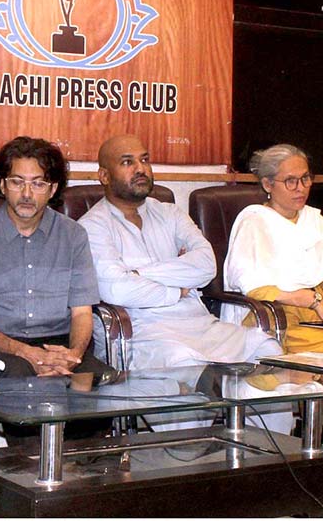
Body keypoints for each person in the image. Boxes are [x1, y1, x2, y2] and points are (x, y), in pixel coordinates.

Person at [78, 134, 282, 371]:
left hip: (200, 324)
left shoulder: (171, 213)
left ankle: (244, 408)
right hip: (143, 333)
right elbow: (116, 288)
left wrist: (137, 273)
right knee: (183, 361)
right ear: (104, 175)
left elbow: (206, 266)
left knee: (266, 347)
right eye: (127, 162)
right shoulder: (92, 226)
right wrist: (178, 290)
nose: (141, 168)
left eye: (144, 160)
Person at [0, 136, 110, 379]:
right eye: (17, 182)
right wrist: (25, 352)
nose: (27, 193)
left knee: (102, 387)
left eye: (38, 184)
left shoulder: (73, 235)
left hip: (59, 345)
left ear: (53, 189)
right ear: (3, 186)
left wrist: (73, 355)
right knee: (20, 383)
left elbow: (82, 312)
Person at [223, 144, 323, 353]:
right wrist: (310, 300)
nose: (301, 188)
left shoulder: (314, 219)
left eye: (305, 178)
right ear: (268, 185)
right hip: (277, 316)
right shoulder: (255, 221)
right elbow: (251, 285)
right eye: (290, 181)